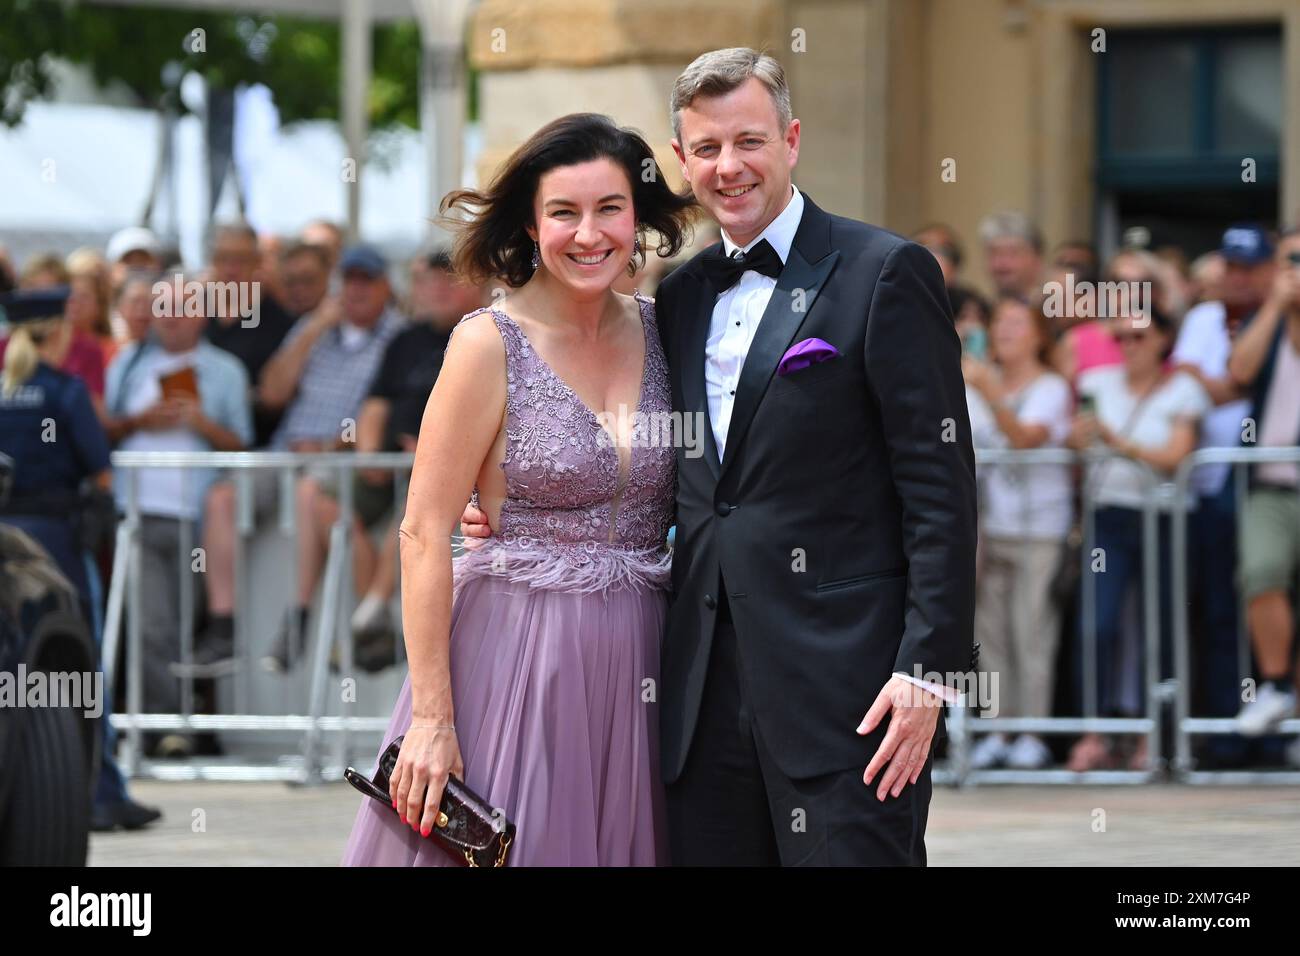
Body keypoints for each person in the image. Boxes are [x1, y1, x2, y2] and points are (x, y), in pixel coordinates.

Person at [464, 49, 977, 865]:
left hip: (850, 694)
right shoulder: (681, 295)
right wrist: (507, 500)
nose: (728, 167)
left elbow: (941, 492)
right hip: (696, 696)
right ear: (682, 160)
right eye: (706, 149)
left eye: (748, 142)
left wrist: (928, 672)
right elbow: (662, 472)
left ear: (792, 139)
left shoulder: (884, 271)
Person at [341, 112, 695, 865]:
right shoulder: (484, 344)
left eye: (609, 209)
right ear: (532, 227)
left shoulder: (668, 331)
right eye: (563, 212)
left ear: (638, 217)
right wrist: (433, 717)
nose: (589, 234)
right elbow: (421, 531)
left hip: (647, 663)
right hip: (514, 663)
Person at [0, 287, 161, 831]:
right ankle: (99, 791)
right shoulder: (64, 392)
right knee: (82, 665)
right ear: (56, 331)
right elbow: (100, 469)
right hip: (57, 544)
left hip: (7, 545)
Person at [314, 250, 486, 664]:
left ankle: (374, 610)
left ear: (476, 283)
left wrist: (432, 450)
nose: (441, 289)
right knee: (317, 497)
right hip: (390, 465)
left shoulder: (487, 334)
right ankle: (377, 615)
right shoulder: (405, 339)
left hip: (449, 470)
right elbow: (375, 404)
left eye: (452, 279)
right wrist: (370, 453)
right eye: (432, 280)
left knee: (414, 510)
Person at [104, 276, 253, 755]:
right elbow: (107, 428)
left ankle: (190, 725)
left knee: (192, 626)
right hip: (138, 512)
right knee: (152, 624)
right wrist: (138, 422)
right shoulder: (128, 363)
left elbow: (243, 443)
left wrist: (200, 421)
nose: (170, 317)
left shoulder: (225, 370)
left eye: (182, 308)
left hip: (198, 515)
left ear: (202, 315)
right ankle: (166, 728)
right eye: (163, 307)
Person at [1066, 306, 1209, 771]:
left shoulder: (1183, 388)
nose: (1128, 346)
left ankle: (1158, 735)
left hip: (1163, 517)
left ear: (1164, 341)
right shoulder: (1096, 383)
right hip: (1109, 514)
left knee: (1162, 626)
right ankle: (1094, 733)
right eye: (1121, 337)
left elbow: (1175, 455)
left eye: (1139, 337)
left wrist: (1116, 441)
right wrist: (1081, 438)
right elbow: (1078, 440)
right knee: (1098, 624)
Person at [1171, 224, 1272, 766]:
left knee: (1271, 601)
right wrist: (1235, 384)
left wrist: (1228, 384)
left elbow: (1234, 379)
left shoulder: (1282, 314)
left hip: (1270, 483)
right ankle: (1227, 730)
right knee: (1218, 612)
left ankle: (1277, 730)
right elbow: (1197, 381)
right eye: (1230, 266)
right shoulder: (1204, 319)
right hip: (1212, 487)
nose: (1238, 276)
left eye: (1249, 266)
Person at [963, 296, 1074, 770]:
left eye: (1015, 321)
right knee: (989, 636)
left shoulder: (1050, 386)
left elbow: (1026, 437)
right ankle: (999, 729)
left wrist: (989, 391)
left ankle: (1034, 732)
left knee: (1032, 631)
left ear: (1037, 336)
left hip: (1040, 528)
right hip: (992, 527)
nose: (1004, 329)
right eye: (999, 322)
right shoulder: (975, 386)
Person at [1227, 227, 1300, 754]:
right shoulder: (1267, 318)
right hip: (1272, 481)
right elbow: (1239, 370)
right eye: (1289, 260)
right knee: (1261, 572)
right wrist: (1278, 306)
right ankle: (1274, 684)